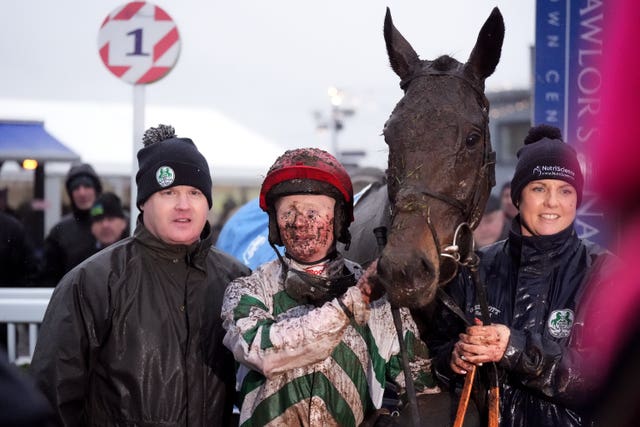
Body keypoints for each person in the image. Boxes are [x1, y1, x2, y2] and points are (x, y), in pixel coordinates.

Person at [30, 124, 251, 427]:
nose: (183, 205)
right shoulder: (93, 282)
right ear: (144, 201)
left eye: (195, 193)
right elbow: (52, 398)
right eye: (168, 192)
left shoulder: (235, 280)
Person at [221, 147, 439, 427]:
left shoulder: (380, 302)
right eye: (288, 212)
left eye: (312, 212)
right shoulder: (247, 290)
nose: (299, 222)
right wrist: (353, 301)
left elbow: (423, 389)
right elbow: (265, 353)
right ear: (275, 223)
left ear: (338, 220)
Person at [428, 124, 615, 427]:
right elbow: (434, 352)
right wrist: (454, 358)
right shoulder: (476, 268)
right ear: (517, 197)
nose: (552, 202)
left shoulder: (604, 273)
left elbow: (604, 376)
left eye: (565, 190)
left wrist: (512, 347)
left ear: (576, 200)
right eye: (539, 188)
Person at [38, 162, 102, 284]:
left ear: (96, 190)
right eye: (76, 188)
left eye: (87, 186)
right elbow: (47, 277)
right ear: (70, 194)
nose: (82, 193)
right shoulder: (59, 231)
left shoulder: (119, 224)